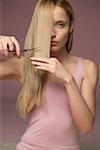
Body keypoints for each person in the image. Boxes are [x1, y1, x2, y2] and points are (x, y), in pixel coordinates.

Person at [0, 0, 98, 150]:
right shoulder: (25, 63)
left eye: (60, 24)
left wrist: (68, 79)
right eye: (45, 25)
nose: (52, 33)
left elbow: (85, 127)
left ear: (71, 27)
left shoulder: (87, 68)